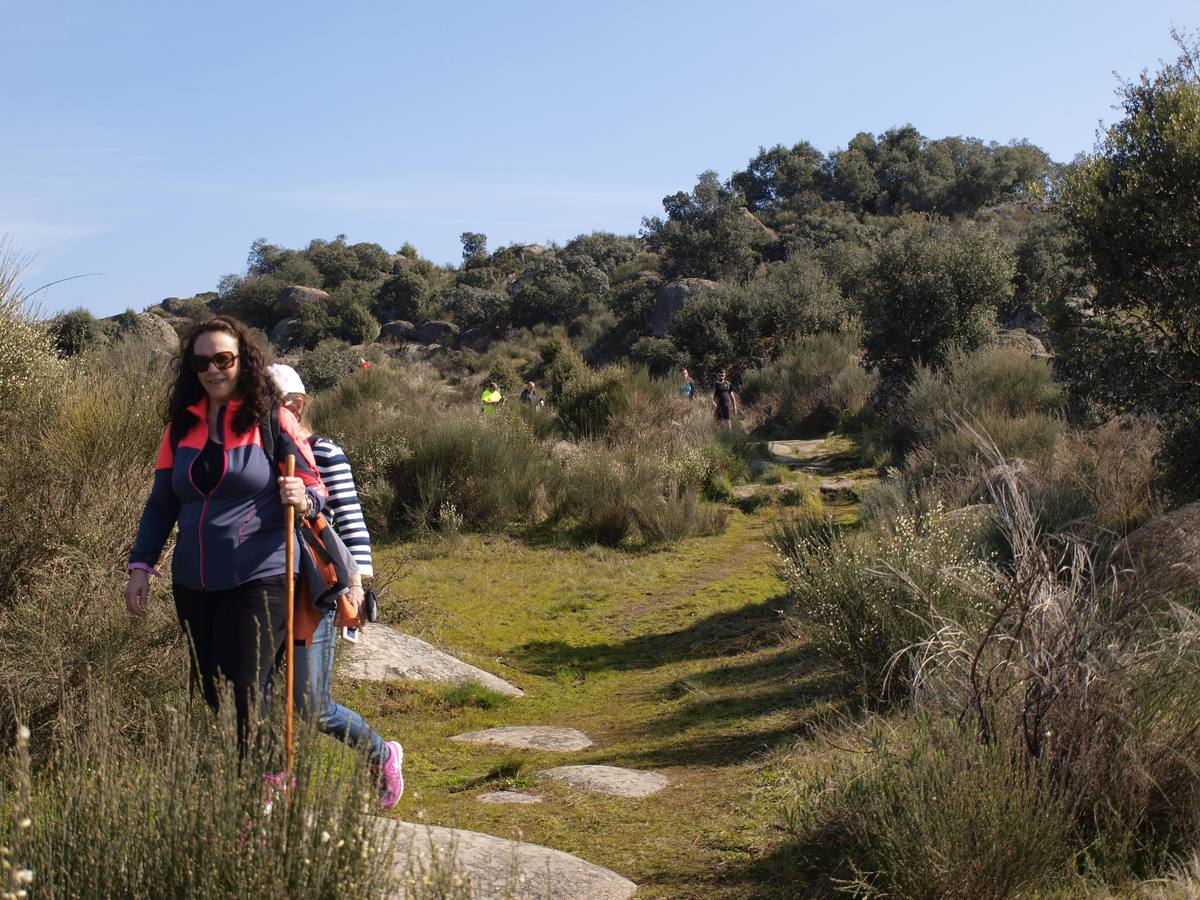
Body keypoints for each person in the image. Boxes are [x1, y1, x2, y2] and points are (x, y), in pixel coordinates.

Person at [123, 316, 328, 755]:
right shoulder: (180, 428)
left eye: (223, 358)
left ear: (243, 361)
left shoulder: (271, 420)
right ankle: (265, 780)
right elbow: (161, 504)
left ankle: (263, 793)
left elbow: (315, 486)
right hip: (194, 581)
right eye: (202, 362)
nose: (212, 370)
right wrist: (141, 566)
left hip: (262, 573)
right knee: (217, 693)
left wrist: (303, 497)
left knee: (243, 689)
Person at [268, 363, 404, 808]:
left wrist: (357, 587)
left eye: (275, 405)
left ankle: (380, 754)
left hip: (314, 593)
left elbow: (349, 518)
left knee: (311, 707)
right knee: (263, 698)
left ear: (297, 405)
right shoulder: (250, 452)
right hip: (263, 590)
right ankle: (273, 789)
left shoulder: (323, 451)